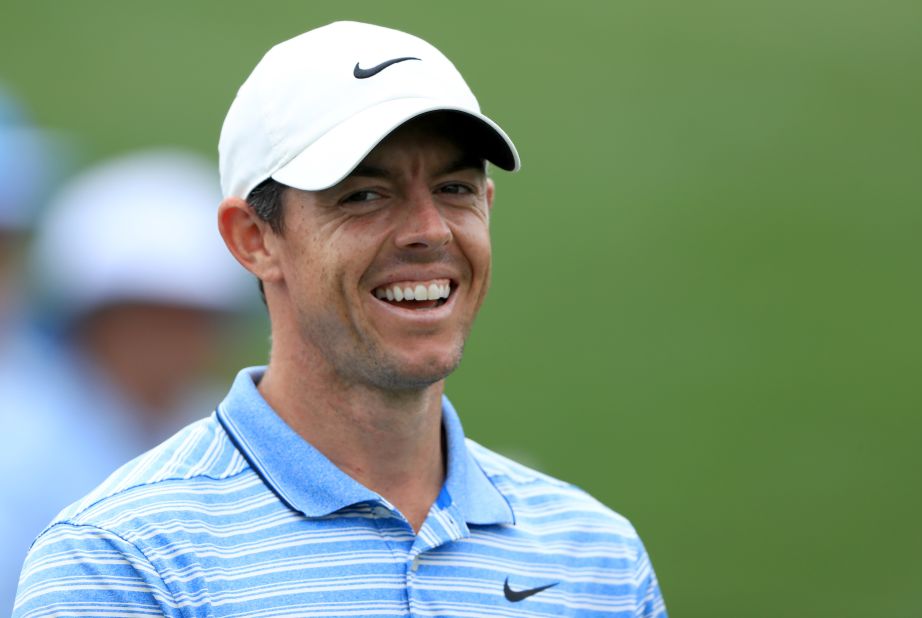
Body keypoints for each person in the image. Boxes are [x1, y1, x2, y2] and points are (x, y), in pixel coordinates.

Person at [14, 21, 668, 616]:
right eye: (364, 195)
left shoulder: (596, 557)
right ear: (253, 239)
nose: (428, 230)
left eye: (455, 188)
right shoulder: (119, 565)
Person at [2, 149, 251, 614]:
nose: (177, 339)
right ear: (93, 318)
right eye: (150, 314)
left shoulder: (228, 423)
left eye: (196, 316)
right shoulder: (16, 443)